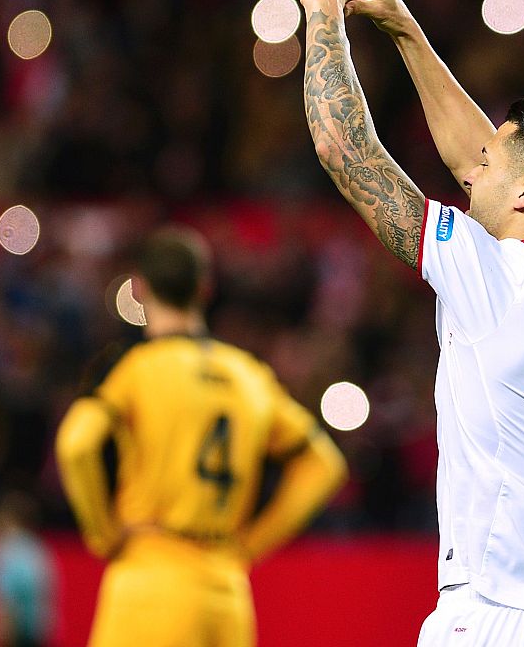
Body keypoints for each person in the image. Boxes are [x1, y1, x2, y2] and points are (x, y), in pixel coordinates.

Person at [296, 0, 524, 646]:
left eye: (494, 161)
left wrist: (322, 15)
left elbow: (348, 153)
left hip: (499, 611)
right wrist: (398, 24)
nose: (472, 167)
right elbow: (475, 159)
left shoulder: (496, 280)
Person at [55, 225, 348, 647]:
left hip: (151, 579)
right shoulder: (249, 374)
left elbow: (76, 444)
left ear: (139, 288)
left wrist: (103, 535)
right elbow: (325, 464)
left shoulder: (133, 367)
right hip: (225, 592)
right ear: (205, 288)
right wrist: (249, 545)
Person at [0, 492, 55, 647]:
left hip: (14, 635)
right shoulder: (39, 549)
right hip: (40, 633)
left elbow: (5, 600)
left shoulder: (6, 551)